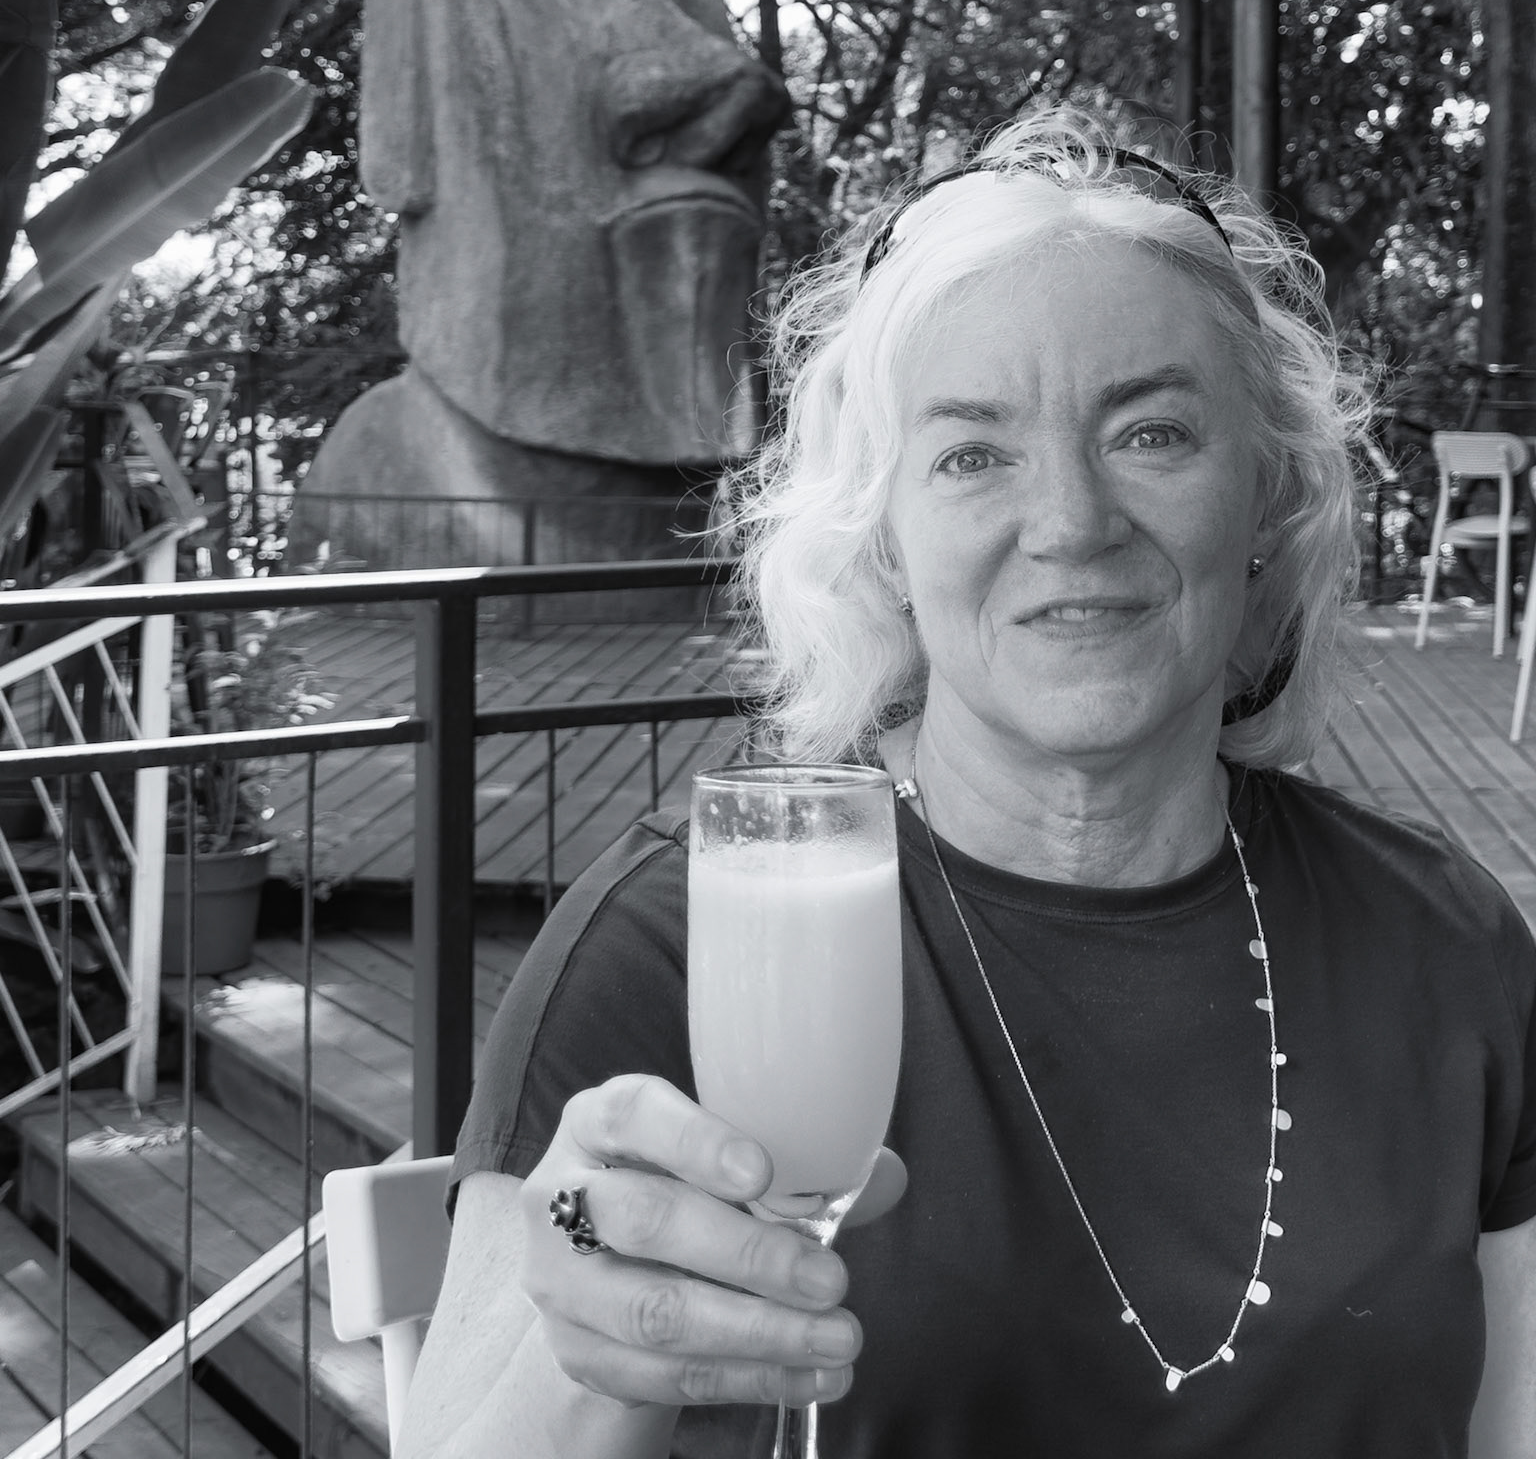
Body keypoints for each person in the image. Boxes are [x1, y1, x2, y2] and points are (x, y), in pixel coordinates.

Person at [398, 107, 1536, 1459]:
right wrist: (587, 1297)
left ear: (1270, 496)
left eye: (1153, 432)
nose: (1069, 522)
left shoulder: (1447, 945)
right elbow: (468, 1423)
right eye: (973, 453)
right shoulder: (687, 939)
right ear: (881, 543)